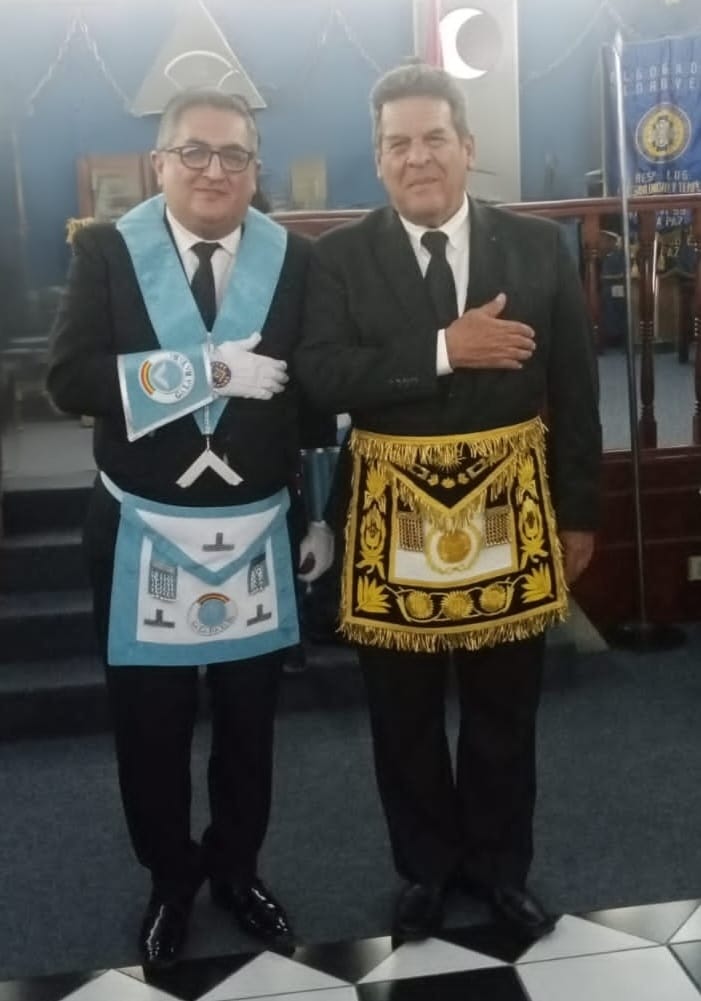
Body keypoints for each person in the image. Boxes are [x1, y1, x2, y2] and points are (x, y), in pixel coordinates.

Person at [297, 63, 601, 941]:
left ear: (467, 146)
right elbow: (322, 375)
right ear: (377, 158)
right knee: (403, 712)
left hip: (509, 501)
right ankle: (426, 868)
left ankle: (500, 868)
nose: (417, 156)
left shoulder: (535, 246)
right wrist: (443, 349)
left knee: (504, 705)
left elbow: (576, 390)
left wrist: (578, 510)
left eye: (434, 138)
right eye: (397, 143)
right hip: (388, 510)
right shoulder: (339, 256)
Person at [47, 88, 335, 967]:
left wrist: (318, 512)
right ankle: (170, 878)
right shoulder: (107, 250)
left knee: (250, 726)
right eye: (195, 153)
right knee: (151, 727)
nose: (215, 171)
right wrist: (201, 370)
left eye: (234, 155)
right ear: (160, 163)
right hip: (143, 530)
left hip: (256, 531)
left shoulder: (293, 258)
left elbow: (311, 402)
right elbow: (70, 379)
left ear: (255, 169)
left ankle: (237, 868)